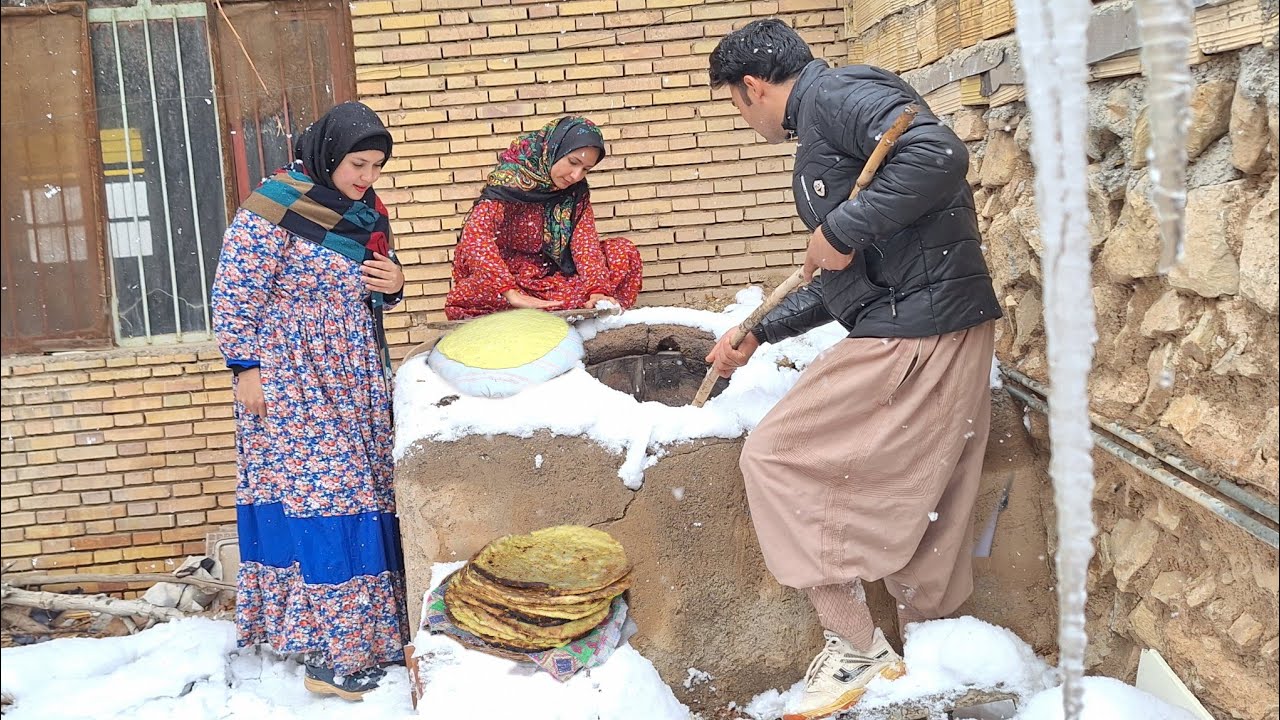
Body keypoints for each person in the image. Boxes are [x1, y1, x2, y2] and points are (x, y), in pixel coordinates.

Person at [705, 19, 1003, 719]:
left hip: (919, 326)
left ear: (752, 87)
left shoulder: (837, 95)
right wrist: (760, 329)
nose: (743, 119)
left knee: (776, 456)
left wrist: (841, 226)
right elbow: (847, 273)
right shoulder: (825, 121)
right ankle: (932, 661)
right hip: (933, 319)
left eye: (735, 105)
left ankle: (855, 645)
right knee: (927, 495)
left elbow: (938, 153)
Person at [212, 100, 407, 701]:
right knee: (327, 498)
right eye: (357, 164)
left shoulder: (365, 213)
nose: (366, 177)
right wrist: (246, 368)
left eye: (375, 166)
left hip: (354, 373)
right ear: (327, 154)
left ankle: (366, 635)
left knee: (363, 494)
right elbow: (234, 292)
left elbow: (374, 282)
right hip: (293, 377)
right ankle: (331, 651)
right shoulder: (274, 207)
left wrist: (394, 282)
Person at [444, 116, 643, 320]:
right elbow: (476, 238)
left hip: (551, 273)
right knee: (476, 293)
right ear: (553, 150)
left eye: (585, 169)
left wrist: (597, 291)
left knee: (623, 253)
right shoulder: (510, 182)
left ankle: (589, 318)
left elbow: (585, 244)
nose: (576, 175)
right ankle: (538, 308)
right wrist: (511, 293)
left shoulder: (575, 192)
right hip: (508, 278)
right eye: (573, 162)